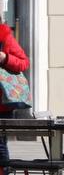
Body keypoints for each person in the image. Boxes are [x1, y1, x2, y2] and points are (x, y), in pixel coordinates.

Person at [0, 21, 30, 164]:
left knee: (0, 147)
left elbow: (24, 63)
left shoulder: (4, 37)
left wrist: (6, 58)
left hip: (2, 105)